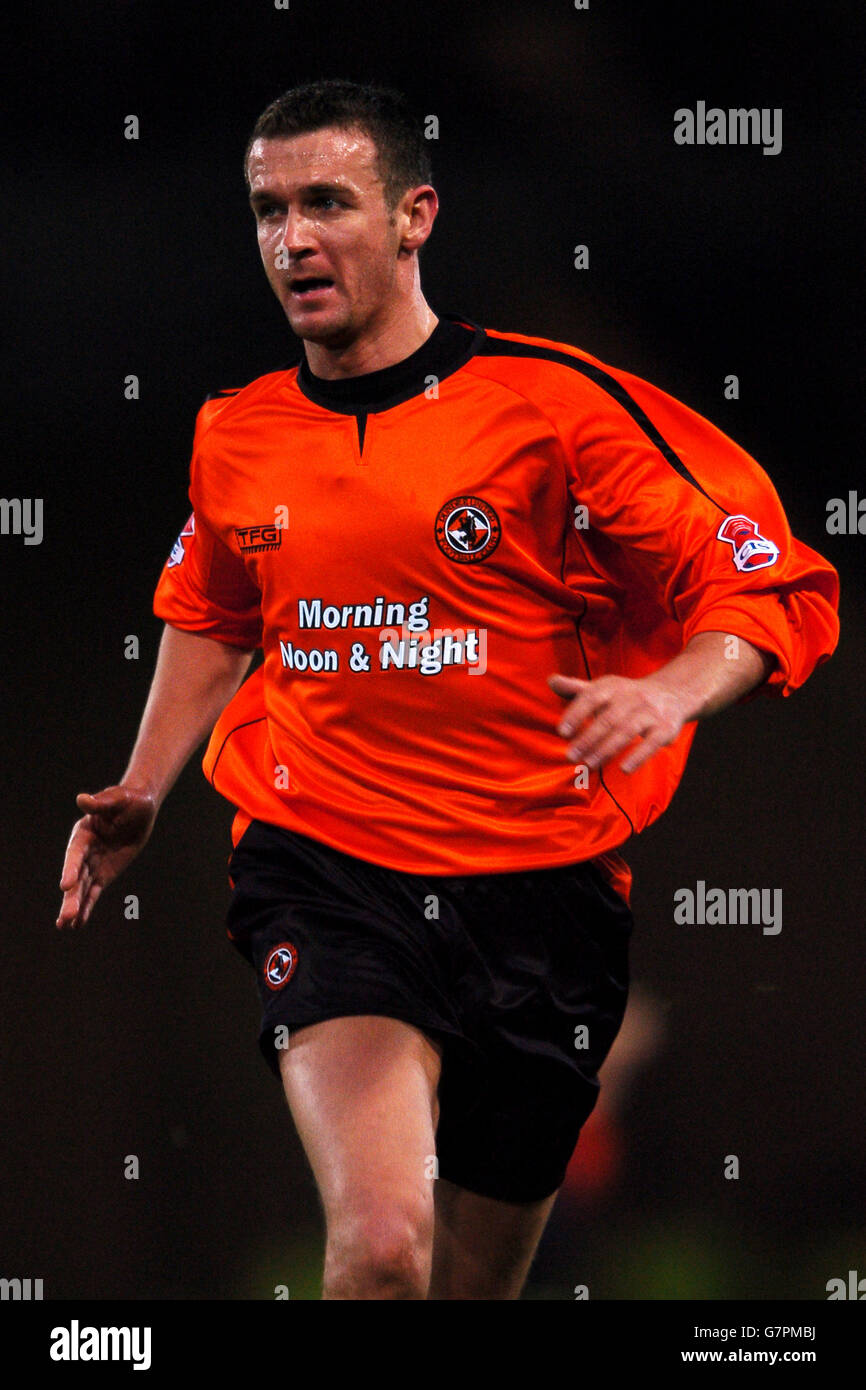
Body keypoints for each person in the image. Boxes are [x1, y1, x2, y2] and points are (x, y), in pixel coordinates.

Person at [57, 78, 840, 1300]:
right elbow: (213, 609)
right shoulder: (237, 433)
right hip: (323, 868)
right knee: (377, 1251)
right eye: (267, 209)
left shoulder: (555, 410)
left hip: (543, 896)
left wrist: (674, 692)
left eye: (326, 202)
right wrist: (149, 783)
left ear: (415, 214)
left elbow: (764, 585)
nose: (292, 238)